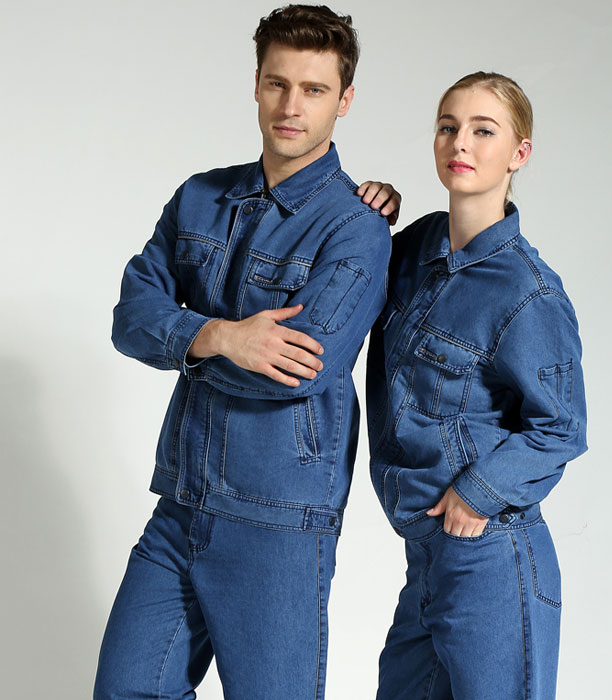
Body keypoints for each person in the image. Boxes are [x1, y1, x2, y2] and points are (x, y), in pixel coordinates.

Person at [94, 6, 399, 699]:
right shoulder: (200, 198)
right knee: (125, 689)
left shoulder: (356, 227)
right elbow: (130, 317)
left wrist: (181, 334)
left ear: (345, 100)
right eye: (277, 83)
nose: (291, 107)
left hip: (276, 519)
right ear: (256, 84)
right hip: (181, 501)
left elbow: (298, 370)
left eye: (314, 90)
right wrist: (220, 336)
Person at [361, 72, 588, 699]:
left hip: (492, 557)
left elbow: (562, 427)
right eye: (448, 126)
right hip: (424, 558)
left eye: (484, 130)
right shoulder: (413, 249)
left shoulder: (528, 292)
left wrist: (478, 492)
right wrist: (365, 215)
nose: (460, 142)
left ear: (519, 153)